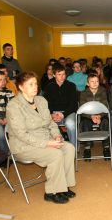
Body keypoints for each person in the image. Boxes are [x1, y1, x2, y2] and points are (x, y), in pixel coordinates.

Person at [6, 72, 76, 204]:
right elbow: (21, 134)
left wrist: (57, 136)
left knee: (69, 148)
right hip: (24, 145)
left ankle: (63, 186)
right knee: (55, 154)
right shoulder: (13, 106)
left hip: (46, 138)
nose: (35, 87)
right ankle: (51, 192)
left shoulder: (41, 100)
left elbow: (50, 122)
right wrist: (47, 143)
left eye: (36, 84)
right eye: (30, 84)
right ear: (21, 87)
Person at [43, 64, 78, 150]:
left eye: (64, 74)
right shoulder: (49, 87)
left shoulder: (71, 86)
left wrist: (63, 114)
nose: (62, 77)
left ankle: (73, 148)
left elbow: (73, 104)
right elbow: (46, 104)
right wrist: (51, 114)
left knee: (71, 124)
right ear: (54, 75)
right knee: (44, 125)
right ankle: (51, 148)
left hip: (68, 112)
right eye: (59, 74)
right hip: (53, 113)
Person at [79, 74, 110, 161]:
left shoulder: (103, 91)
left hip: (101, 115)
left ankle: (106, 147)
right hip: (87, 115)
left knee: (105, 122)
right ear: (87, 83)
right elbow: (82, 108)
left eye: (97, 81)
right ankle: (87, 148)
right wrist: (91, 116)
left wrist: (99, 115)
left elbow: (105, 105)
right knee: (84, 123)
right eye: (92, 81)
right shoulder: (83, 93)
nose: (95, 83)